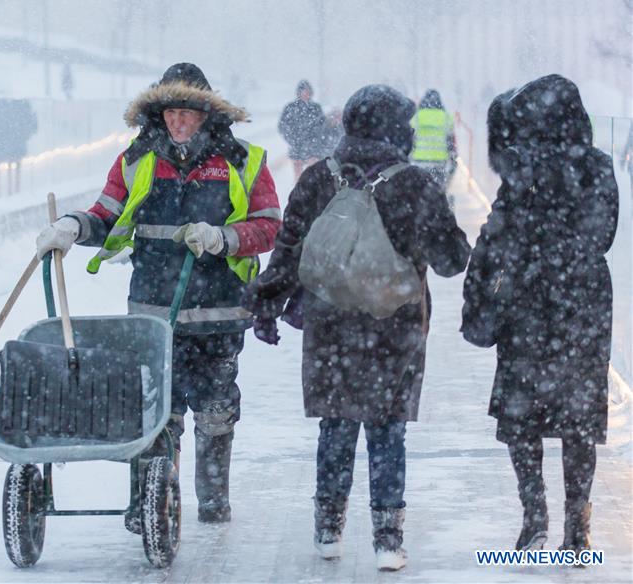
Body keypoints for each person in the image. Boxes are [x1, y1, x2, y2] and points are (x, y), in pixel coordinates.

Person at [34, 62, 282, 526]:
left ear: (207, 113)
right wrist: (73, 226)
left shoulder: (244, 160)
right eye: (171, 112)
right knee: (154, 416)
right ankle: (152, 505)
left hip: (219, 313)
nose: (178, 122)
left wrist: (223, 238)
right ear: (159, 113)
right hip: (151, 315)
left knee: (215, 412)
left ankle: (212, 502)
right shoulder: (135, 160)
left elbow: (269, 226)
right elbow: (106, 214)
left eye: (187, 112)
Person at [243, 84, 470, 571]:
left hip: (331, 326)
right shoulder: (414, 185)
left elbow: (287, 253)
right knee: (388, 429)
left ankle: (328, 530)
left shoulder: (319, 180)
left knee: (337, 425)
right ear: (397, 129)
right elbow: (452, 261)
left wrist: (266, 304)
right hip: (397, 325)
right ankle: (388, 540)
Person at [461, 75, 618, 558]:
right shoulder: (597, 167)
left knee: (522, 417)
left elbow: (498, 233)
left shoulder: (522, 169)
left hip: (526, 307)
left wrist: (479, 289)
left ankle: (534, 518)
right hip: (583, 306)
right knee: (579, 422)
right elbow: (603, 234)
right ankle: (578, 525)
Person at [409, 89, 458, 203]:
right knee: (438, 190)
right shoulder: (446, 118)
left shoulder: (416, 117)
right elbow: (450, 143)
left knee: (418, 191)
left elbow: (410, 139)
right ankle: (438, 208)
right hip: (439, 162)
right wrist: (453, 160)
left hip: (418, 161)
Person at [278, 80, 327, 180]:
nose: (306, 94)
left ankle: (312, 192)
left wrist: (316, 140)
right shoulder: (290, 108)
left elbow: (323, 127)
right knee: (298, 174)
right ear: (298, 92)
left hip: (313, 148)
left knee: (313, 173)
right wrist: (292, 139)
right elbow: (282, 126)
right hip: (297, 146)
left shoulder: (316, 108)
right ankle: (298, 191)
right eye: (304, 91)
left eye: (308, 91)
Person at [0, 99, 38, 196]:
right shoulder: (23, 107)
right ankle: (15, 192)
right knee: (15, 167)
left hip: (0, 145)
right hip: (16, 144)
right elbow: (32, 127)